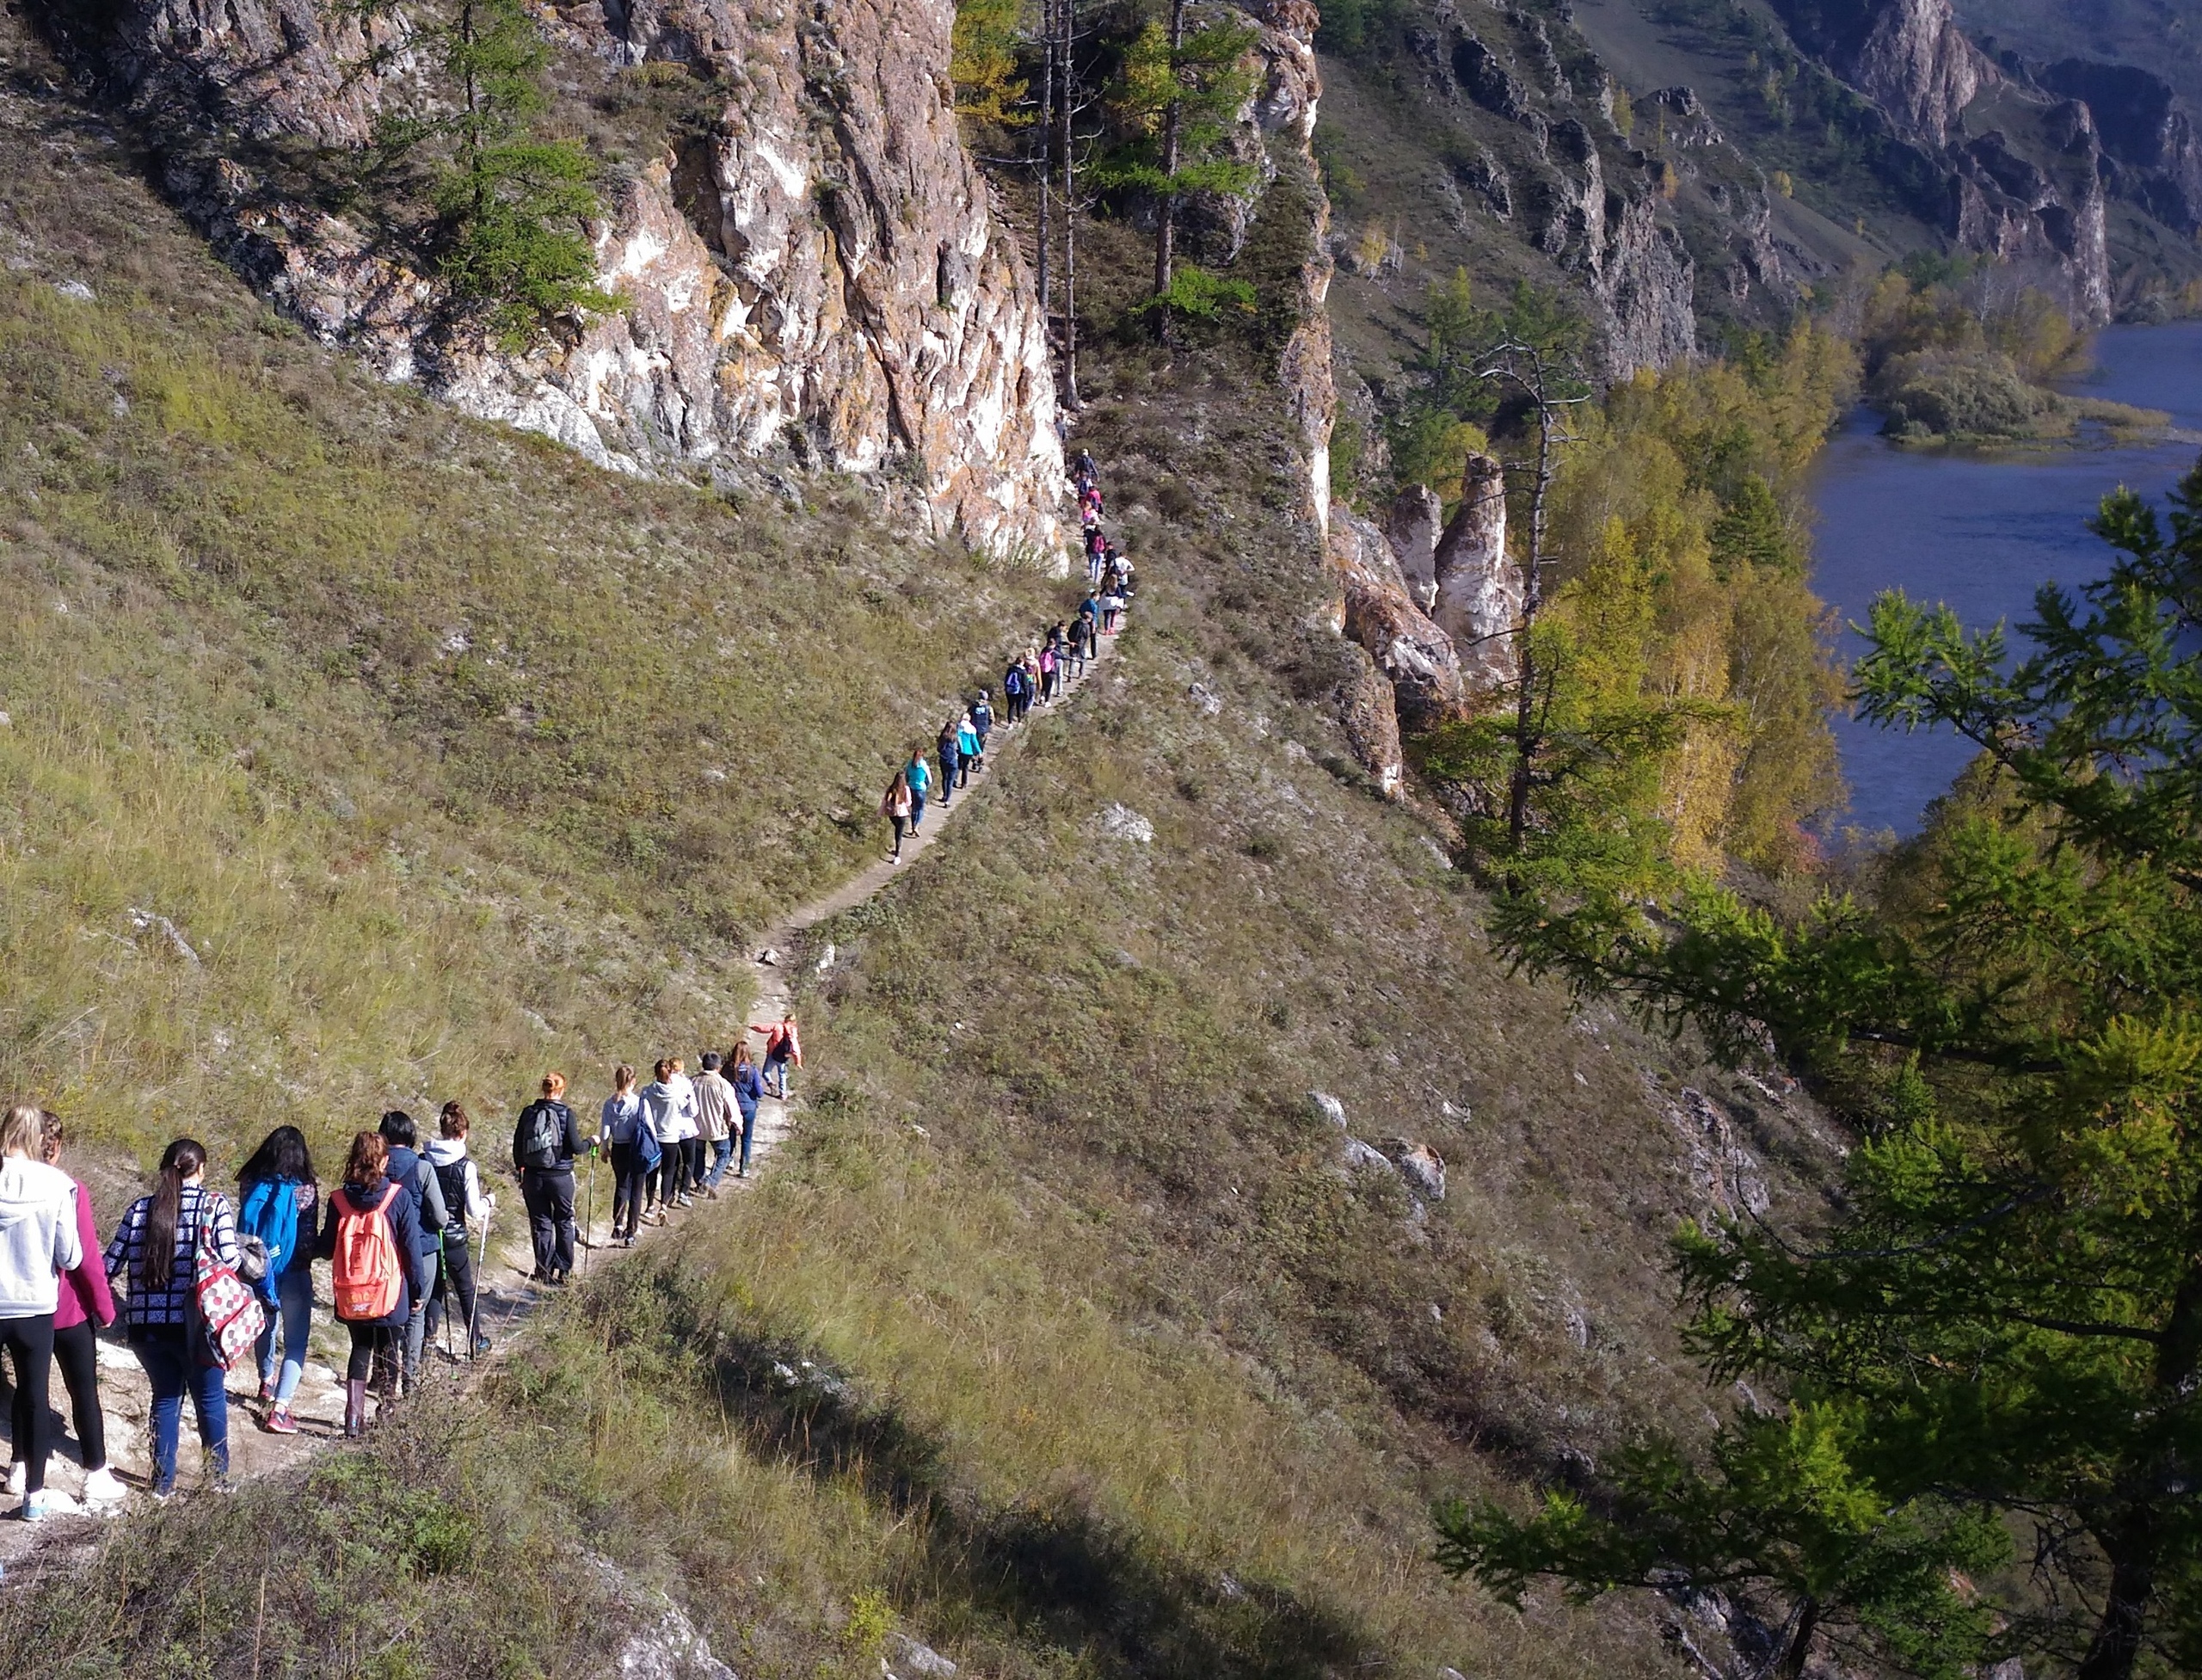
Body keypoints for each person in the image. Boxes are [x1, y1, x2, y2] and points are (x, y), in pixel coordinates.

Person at [106, 1137, 236, 1498]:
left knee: (165, 1398)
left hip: (147, 1328)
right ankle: (217, 1481)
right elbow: (231, 1260)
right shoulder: (212, 1206)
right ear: (201, 1169)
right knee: (209, 1398)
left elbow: (109, 1265)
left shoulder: (139, 1210)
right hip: (197, 1325)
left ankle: (162, 1485)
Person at [12, 1114, 121, 1505]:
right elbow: (86, 1258)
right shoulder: (69, 1189)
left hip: (18, 1306)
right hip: (66, 1307)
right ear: (54, 1147)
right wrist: (104, 1308)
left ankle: (20, 1464)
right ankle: (95, 1471)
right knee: (83, 1390)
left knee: (29, 1388)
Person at [0, 1104, 82, 1519]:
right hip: (34, 1305)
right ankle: (33, 1494)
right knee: (34, 1398)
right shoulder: (57, 1184)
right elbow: (70, 1257)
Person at [319, 1130, 421, 1437]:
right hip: (388, 1290)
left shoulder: (337, 1200)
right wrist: (416, 1292)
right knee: (389, 1349)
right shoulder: (398, 1197)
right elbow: (411, 1251)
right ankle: (387, 1412)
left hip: (352, 1291)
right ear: (385, 1161)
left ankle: (353, 1419)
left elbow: (326, 1247)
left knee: (360, 1348)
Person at [237, 1125, 318, 1434]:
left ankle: (266, 1380)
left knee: (265, 1326)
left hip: (256, 1267)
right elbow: (307, 1240)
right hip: (294, 1270)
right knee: (296, 1342)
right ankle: (280, 1409)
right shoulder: (306, 1190)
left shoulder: (249, 1181)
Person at [378, 1111, 447, 1397]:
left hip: (383, 1251)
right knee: (415, 1315)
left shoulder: (375, 1166)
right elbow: (441, 1217)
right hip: (422, 1250)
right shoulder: (422, 1168)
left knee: (385, 1314)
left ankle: (381, 1378)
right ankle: (410, 1379)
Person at [425, 1104, 494, 1358]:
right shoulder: (466, 1166)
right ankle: (476, 1342)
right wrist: (490, 1201)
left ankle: (427, 1343)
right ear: (463, 1132)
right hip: (454, 1238)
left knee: (433, 1290)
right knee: (465, 1289)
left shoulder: (425, 1160)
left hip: (429, 1235)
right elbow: (475, 1210)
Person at [511, 1074, 587, 1283]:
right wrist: (593, 1142)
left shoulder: (529, 1112)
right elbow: (577, 1147)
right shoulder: (566, 1113)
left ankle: (543, 1270)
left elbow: (518, 1146)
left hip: (533, 1177)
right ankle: (564, 1270)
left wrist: (521, 1170)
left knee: (540, 1223)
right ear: (562, 1090)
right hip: (560, 1177)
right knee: (564, 1220)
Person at [600, 1065, 657, 1245]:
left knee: (622, 1186)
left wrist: (604, 1148)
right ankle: (631, 1232)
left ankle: (617, 1224)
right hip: (638, 1149)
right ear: (633, 1081)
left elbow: (605, 1130)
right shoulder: (640, 1103)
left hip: (618, 1148)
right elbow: (650, 1128)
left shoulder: (610, 1104)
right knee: (637, 1190)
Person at [639, 1060, 696, 1209]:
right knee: (668, 1173)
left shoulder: (647, 1091)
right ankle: (664, 1205)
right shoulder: (676, 1095)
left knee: (652, 1172)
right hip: (670, 1137)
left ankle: (650, 1205)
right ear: (671, 1073)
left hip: (652, 1137)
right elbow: (688, 1107)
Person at [694, 1053, 740, 1195]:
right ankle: (710, 1181)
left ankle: (700, 1181)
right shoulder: (723, 1084)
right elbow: (732, 1107)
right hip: (717, 1128)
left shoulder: (692, 1081)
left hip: (696, 1128)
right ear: (718, 1067)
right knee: (724, 1154)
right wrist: (738, 1123)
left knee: (698, 1155)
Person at [729, 1043, 764, 1177]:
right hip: (749, 1108)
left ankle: (729, 1160)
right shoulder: (752, 1070)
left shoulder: (729, 1069)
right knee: (747, 1139)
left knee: (731, 1135)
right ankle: (744, 1168)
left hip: (733, 1108)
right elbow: (760, 1092)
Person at [752, 1013, 803, 1101]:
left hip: (772, 1054)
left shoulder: (777, 1026)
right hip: (783, 1057)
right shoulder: (792, 1032)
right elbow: (795, 1048)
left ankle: (771, 1083)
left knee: (766, 1072)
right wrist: (797, 1062)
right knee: (782, 1074)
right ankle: (783, 1094)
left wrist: (753, 1027)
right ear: (794, 1022)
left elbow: (763, 1028)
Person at [882, 767, 914, 862]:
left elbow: (884, 802)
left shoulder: (891, 789)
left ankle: (896, 852)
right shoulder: (906, 789)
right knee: (899, 833)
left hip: (892, 814)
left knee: (897, 829)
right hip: (902, 814)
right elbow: (908, 802)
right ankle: (897, 855)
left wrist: (880, 813)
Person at [905, 746, 932, 831]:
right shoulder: (923, 765)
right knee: (920, 809)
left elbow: (906, 776)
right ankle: (917, 826)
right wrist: (926, 786)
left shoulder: (910, 764)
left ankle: (913, 826)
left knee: (913, 808)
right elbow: (930, 780)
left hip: (911, 788)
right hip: (921, 789)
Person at [936, 718, 961, 806]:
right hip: (953, 761)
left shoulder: (943, 737)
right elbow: (960, 748)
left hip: (943, 759)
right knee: (950, 781)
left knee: (945, 778)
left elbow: (939, 749)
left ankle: (944, 796)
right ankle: (947, 800)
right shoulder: (956, 737)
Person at [956, 711, 981, 785]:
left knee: (958, 767)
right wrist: (979, 751)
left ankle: (954, 781)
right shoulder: (972, 729)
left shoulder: (959, 726)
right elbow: (974, 742)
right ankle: (964, 783)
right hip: (968, 751)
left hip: (959, 750)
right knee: (965, 767)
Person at [971, 691, 993, 767]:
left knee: (974, 745)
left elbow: (968, 715)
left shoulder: (973, 706)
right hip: (984, 730)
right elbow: (992, 719)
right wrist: (989, 725)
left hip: (974, 729)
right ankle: (980, 761)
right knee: (981, 746)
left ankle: (974, 759)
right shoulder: (988, 708)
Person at [1001, 660, 1026, 726]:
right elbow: (1025, 683)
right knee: (1019, 706)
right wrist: (1027, 693)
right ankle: (1019, 722)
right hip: (1020, 691)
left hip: (1010, 691)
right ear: (1022, 663)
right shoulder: (1023, 671)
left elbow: (1006, 679)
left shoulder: (1010, 669)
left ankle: (1010, 724)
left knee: (1011, 706)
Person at [1038, 639, 1058, 705]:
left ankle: (1042, 697)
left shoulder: (1043, 650)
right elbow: (1062, 656)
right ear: (1054, 645)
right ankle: (1047, 702)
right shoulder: (1053, 652)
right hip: (1051, 672)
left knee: (1044, 685)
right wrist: (1071, 658)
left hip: (1042, 671)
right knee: (1049, 687)